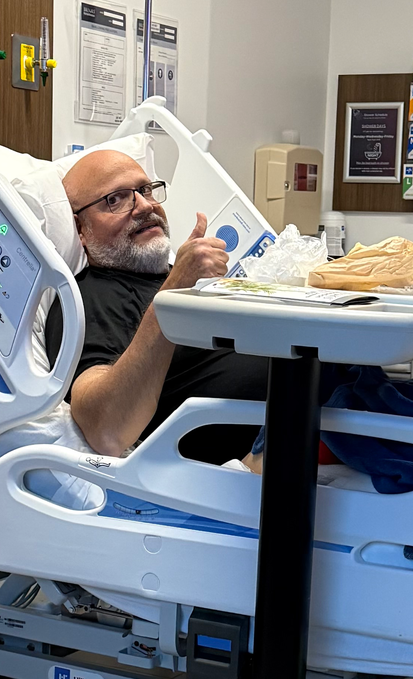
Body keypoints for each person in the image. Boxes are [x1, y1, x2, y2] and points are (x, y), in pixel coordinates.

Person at [44, 150, 269, 464]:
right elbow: (105, 429)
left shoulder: (183, 277)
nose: (145, 205)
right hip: (273, 441)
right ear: (80, 229)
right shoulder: (88, 300)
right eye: (115, 199)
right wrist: (175, 288)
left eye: (145, 190)